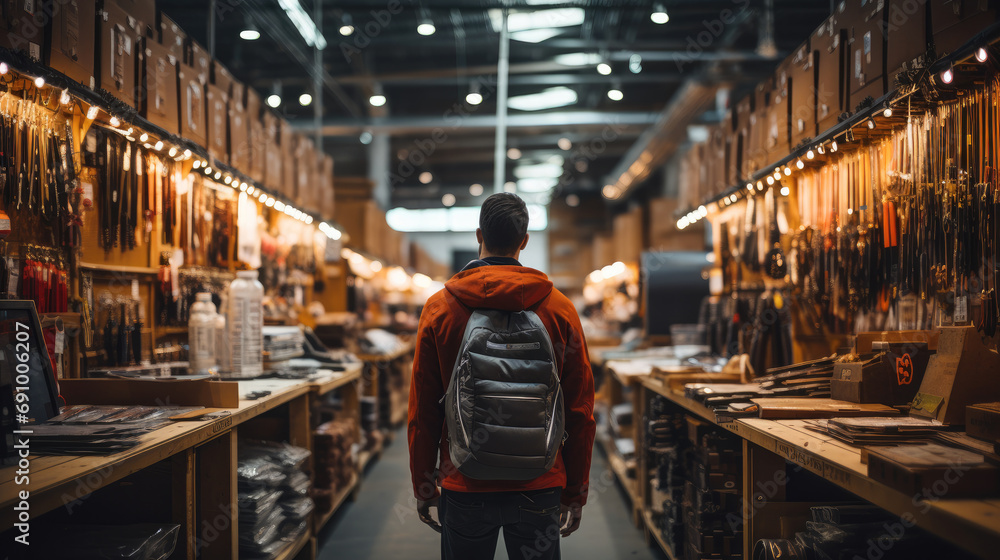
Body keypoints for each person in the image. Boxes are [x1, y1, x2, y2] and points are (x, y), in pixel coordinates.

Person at [408, 192, 596, 560]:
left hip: (464, 482)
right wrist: (575, 492)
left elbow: (423, 410)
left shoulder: (439, 309)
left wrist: (424, 485)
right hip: (539, 483)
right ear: (524, 241)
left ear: (479, 234)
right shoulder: (559, 309)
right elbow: (580, 409)